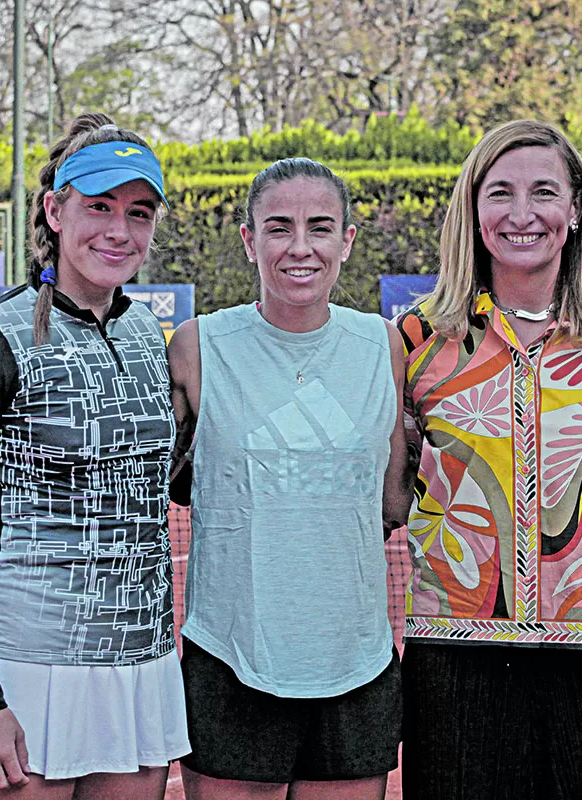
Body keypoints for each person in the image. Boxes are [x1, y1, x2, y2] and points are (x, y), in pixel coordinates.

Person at [394, 119, 582, 800]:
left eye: (543, 192)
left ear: (576, 208)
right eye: (500, 193)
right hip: (457, 653)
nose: (521, 214)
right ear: (472, 210)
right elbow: (383, 492)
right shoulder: (417, 340)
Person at [0, 112, 189, 798]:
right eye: (98, 207)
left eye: (138, 213)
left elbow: (164, 485)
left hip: (142, 667)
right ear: (55, 208)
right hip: (28, 669)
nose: (118, 230)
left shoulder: (147, 337)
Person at [167, 157, 409, 800]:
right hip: (231, 658)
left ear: (346, 241)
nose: (300, 247)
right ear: (249, 240)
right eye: (279, 227)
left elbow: (391, 496)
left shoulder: (382, 345)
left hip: (356, 663)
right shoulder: (198, 345)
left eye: (320, 227)